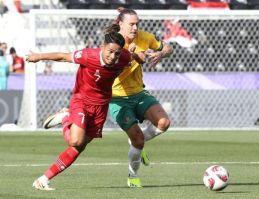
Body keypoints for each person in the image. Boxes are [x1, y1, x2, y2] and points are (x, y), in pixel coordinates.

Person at [43, 8, 173, 188]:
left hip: (138, 92)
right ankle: (133, 176)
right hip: (117, 98)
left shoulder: (146, 37)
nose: (135, 28)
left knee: (164, 123)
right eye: (131, 24)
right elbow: (109, 65)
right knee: (134, 141)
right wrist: (132, 55)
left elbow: (167, 47)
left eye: (137, 24)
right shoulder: (114, 44)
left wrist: (161, 53)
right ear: (121, 24)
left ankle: (137, 139)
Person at [26, 32, 131, 191]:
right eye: (110, 51)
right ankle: (65, 118)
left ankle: (43, 180)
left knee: (79, 147)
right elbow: (62, 56)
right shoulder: (88, 55)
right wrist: (39, 56)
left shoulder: (124, 57)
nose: (113, 56)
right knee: (75, 141)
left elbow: (133, 57)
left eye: (117, 53)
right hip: (81, 100)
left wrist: (142, 56)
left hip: (101, 106)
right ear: (102, 47)